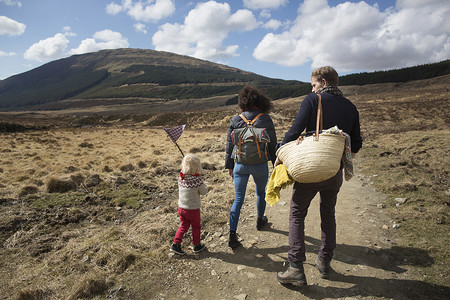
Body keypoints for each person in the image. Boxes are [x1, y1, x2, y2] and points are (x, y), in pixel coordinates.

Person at [276, 66, 363, 285]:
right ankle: (324, 262)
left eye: (314, 85)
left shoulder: (313, 100)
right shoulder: (351, 108)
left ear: (323, 82)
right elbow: (357, 144)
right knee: (328, 213)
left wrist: (280, 152)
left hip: (311, 168)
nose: (312, 89)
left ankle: (295, 267)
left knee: (297, 212)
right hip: (334, 171)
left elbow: (295, 131)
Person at [225, 86, 278, 249]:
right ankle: (260, 220)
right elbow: (272, 144)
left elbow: (229, 145)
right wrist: (275, 162)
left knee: (238, 198)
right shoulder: (265, 119)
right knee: (260, 193)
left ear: (242, 102)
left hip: (240, 164)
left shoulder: (235, 119)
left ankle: (232, 235)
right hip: (260, 164)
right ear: (259, 101)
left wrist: (229, 166)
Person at [170, 153, 208, 255]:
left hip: (181, 208)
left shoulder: (181, 178)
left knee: (183, 226)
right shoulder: (197, 180)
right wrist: (202, 183)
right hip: (193, 209)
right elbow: (204, 191)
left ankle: (176, 244)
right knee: (196, 227)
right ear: (197, 167)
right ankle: (197, 245)